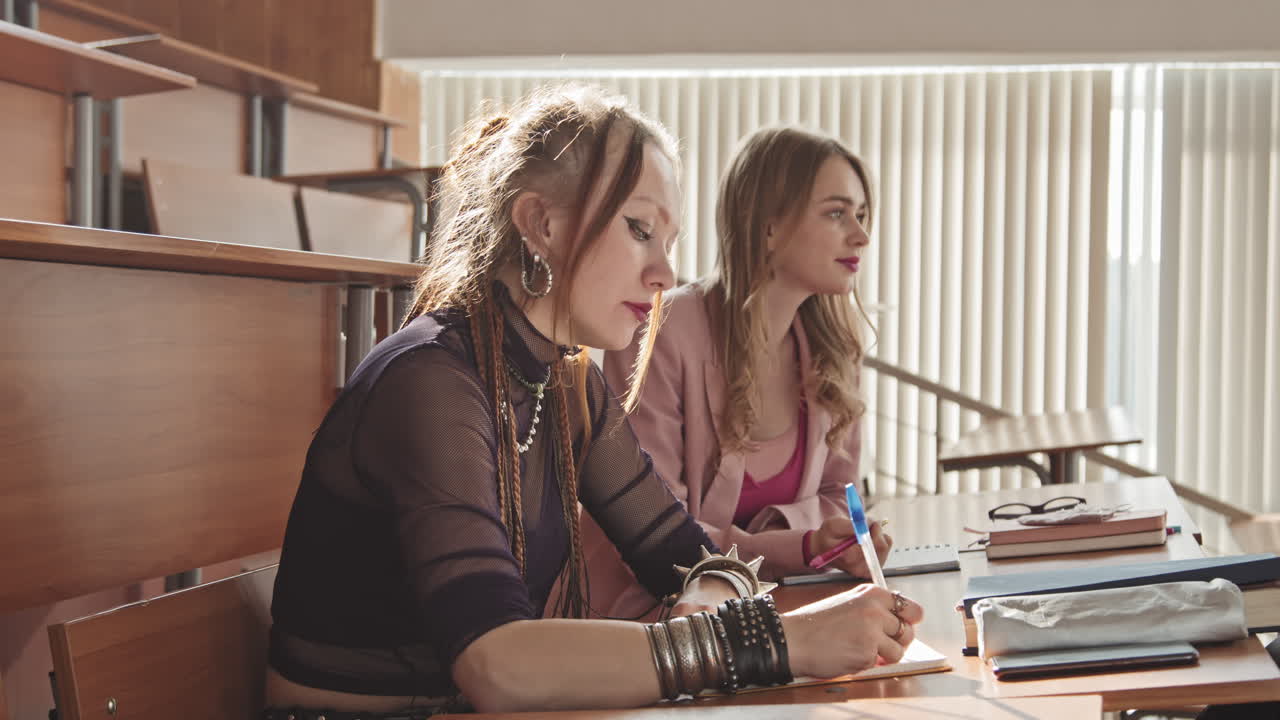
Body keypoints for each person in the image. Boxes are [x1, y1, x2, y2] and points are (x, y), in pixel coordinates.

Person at [265, 86, 922, 717]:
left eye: (669, 243)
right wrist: (773, 642)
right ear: (539, 223)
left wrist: (706, 596)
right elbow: (497, 665)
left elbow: (695, 557)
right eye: (640, 230)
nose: (665, 274)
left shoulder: (568, 381)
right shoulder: (432, 380)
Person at [586, 126, 891, 621]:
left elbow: (840, 496)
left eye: (861, 215)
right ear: (767, 226)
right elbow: (657, 529)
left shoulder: (835, 351)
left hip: (779, 605)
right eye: (837, 213)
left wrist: (835, 544)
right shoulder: (661, 331)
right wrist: (799, 543)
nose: (860, 235)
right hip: (657, 619)